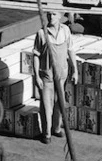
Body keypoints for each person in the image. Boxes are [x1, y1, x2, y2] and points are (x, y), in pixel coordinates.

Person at [33, 11, 78, 144]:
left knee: (60, 103)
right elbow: (36, 55)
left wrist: (75, 70)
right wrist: (37, 76)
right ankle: (46, 134)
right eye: (48, 14)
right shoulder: (42, 33)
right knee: (47, 105)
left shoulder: (66, 30)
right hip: (47, 75)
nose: (50, 17)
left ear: (60, 16)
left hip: (62, 74)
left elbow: (71, 50)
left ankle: (56, 128)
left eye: (53, 14)